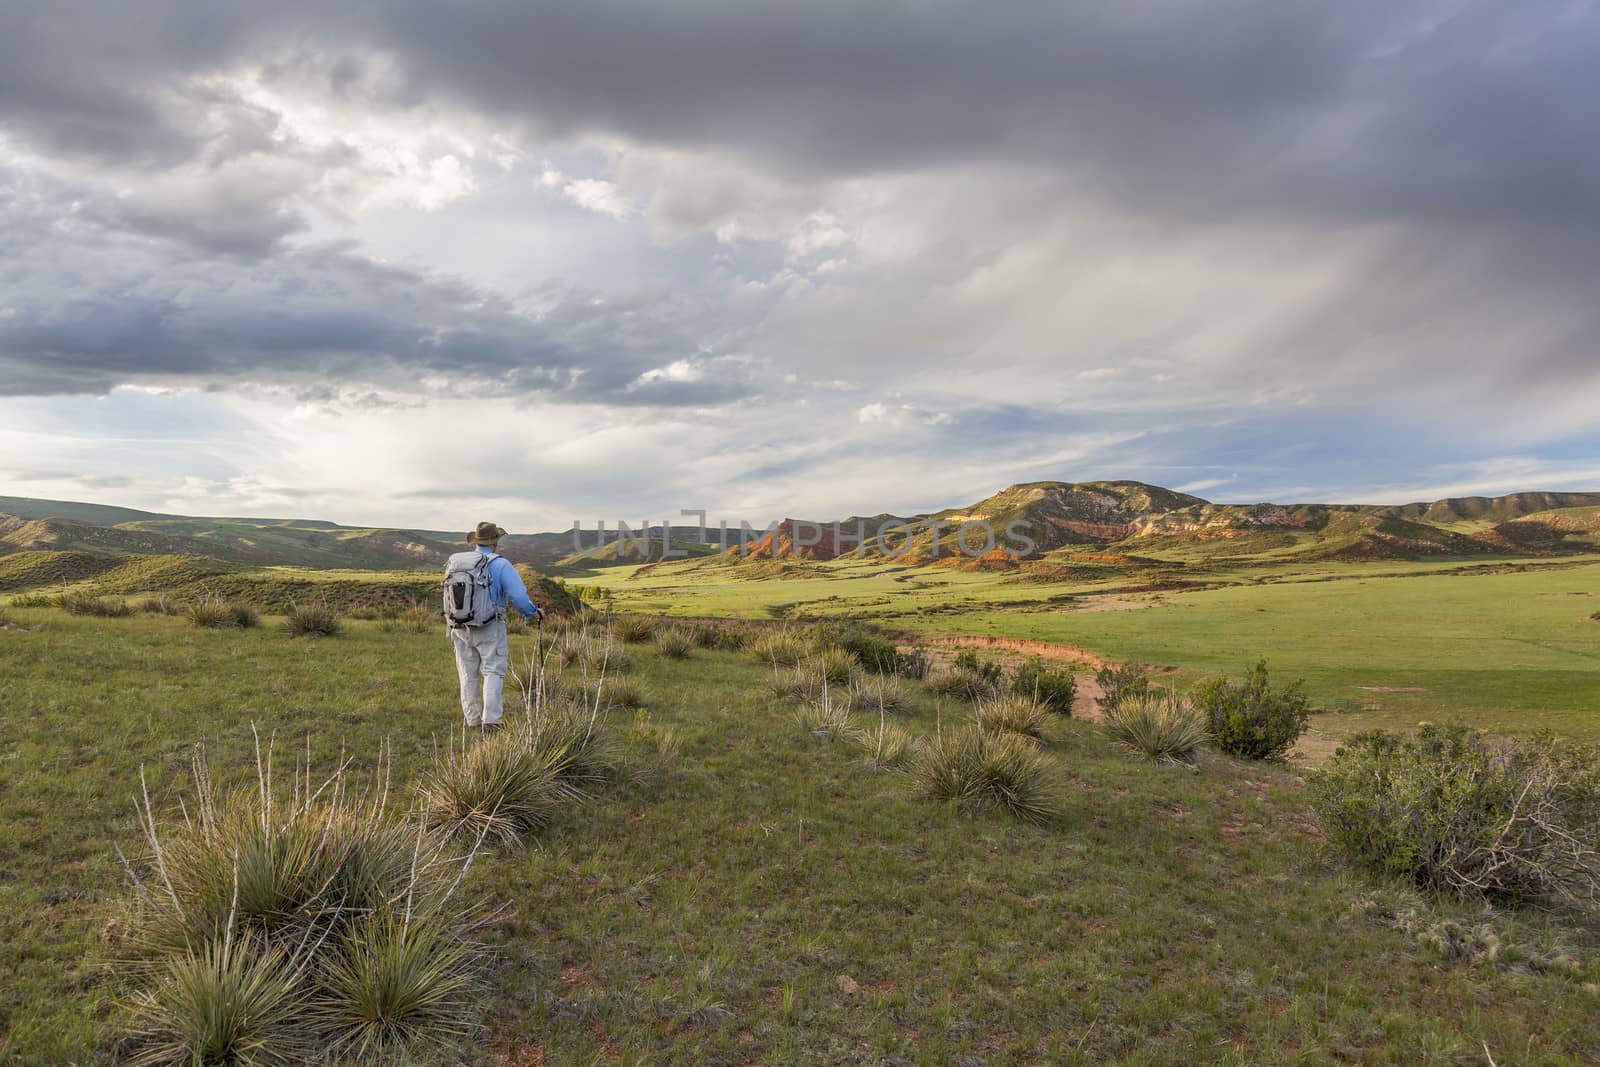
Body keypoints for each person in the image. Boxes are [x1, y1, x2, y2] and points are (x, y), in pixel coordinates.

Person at [447, 521, 544, 732]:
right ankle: (491, 721)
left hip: (459, 626)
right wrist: (532, 612)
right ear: (494, 541)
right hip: (489, 625)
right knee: (492, 670)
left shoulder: (457, 564)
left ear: (476, 541)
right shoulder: (500, 564)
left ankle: (472, 720)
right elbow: (518, 595)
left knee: (467, 672)